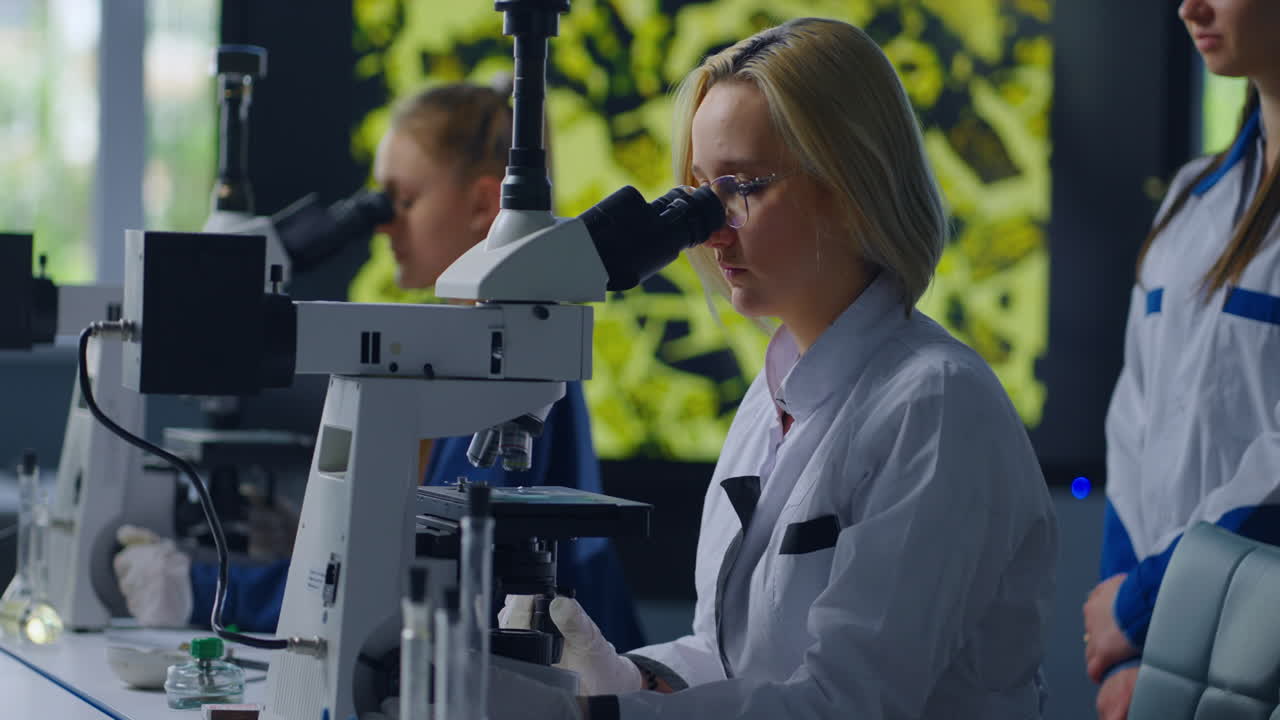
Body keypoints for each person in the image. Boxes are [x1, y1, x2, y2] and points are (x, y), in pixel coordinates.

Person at [495, 17, 1058, 720]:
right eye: (698, 191)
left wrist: (602, 718)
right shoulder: (775, 397)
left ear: (851, 182)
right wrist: (626, 675)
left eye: (738, 189)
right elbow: (732, 658)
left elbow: (846, 703)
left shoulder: (935, 405)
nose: (708, 228)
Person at [113, 81, 646, 653]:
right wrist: (314, 534)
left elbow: (446, 580)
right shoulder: (458, 347)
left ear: (483, 206)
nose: (384, 224)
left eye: (403, 201)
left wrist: (204, 589)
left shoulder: (516, 361)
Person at [1083, 1, 1280, 717]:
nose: (1188, 6)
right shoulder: (1190, 197)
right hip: (1160, 654)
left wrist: (1142, 610)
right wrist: (1127, 641)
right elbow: (1134, 422)